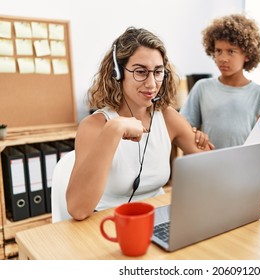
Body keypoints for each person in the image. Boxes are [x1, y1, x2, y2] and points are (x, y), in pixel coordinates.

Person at [66, 27, 213, 221]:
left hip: (158, 219)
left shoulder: (167, 117)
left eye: (158, 72)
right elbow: (78, 210)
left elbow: (215, 169)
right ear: (117, 73)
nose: (152, 84)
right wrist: (114, 129)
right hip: (106, 224)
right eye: (141, 72)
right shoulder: (94, 126)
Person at [180, 13, 260, 149]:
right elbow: (184, 126)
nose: (222, 58)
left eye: (231, 51)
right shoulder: (202, 88)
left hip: (244, 165)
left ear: (247, 55)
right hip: (210, 162)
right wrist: (196, 134)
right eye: (218, 51)